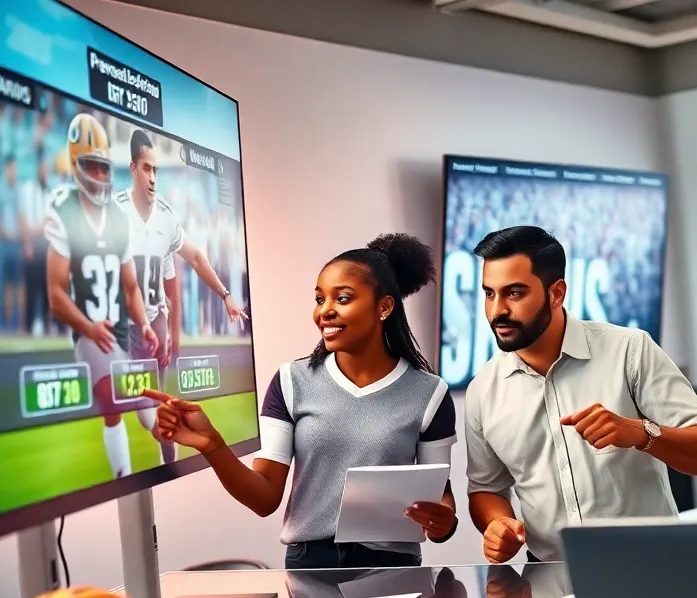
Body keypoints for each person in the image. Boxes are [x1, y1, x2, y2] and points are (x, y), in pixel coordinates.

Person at [146, 233, 459, 569]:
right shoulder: (291, 383)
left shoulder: (429, 393)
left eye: (342, 298)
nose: (325, 311)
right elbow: (264, 498)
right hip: (310, 567)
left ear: (384, 306)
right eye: (319, 299)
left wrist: (444, 522)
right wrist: (212, 444)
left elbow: (439, 495)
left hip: (394, 568)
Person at [464, 226, 697, 564]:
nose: (496, 311)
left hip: (653, 569)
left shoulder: (630, 351)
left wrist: (641, 433)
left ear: (556, 293)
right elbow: (486, 489)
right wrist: (496, 525)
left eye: (514, 293)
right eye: (490, 294)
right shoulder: (483, 390)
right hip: (550, 585)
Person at [116, 128, 248, 467]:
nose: (153, 177)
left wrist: (225, 294)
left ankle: (169, 464)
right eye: (147, 168)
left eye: (156, 169)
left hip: (153, 322)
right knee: (134, 410)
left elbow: (197, 258)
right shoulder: (114, 213)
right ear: (133, 169)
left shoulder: (166, 217)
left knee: (153, 415)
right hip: (121, 323)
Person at [45, 113, 158, 479]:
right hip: (90, 329)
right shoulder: (64, 210)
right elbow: (56, 294)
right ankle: (123, 478)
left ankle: (164, 468)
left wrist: (144, 322)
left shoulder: (118, 219)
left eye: (105, 168)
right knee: (112, 399)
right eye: (93, 167)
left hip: (122, 331)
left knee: (150, 414)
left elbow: (130, 288)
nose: (101, 176)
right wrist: (89, 328)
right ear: (77, 165)